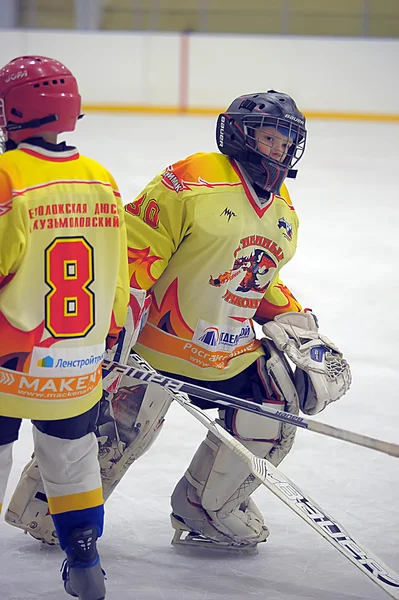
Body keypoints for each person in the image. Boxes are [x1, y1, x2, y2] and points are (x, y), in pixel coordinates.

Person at [5, 90, 352, 555]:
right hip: (154, 350)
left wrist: (295, 318)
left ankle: (205, 506)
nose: (280, 151)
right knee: (114, 437)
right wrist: (112, 330)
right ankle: (48, 505)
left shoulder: (283, 209)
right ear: (242, 134)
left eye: (288, 143)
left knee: (277, 397)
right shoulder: (191, 180)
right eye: (271, 138)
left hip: (226, 354)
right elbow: (132, 255)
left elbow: (256, 276)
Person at [0, 55, 130, 599]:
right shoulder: (101, 179)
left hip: (9, 362)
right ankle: (84, 561)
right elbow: (120, 282)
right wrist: (111, 341)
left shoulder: (9, 178)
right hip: (77, 362)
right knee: (72, 460)